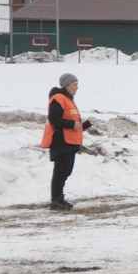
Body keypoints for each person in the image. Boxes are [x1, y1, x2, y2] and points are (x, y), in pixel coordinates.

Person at [40, 73, 91, 210]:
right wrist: (71, 125)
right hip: (61, 141)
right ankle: (56, 200)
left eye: (77, 85)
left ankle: (59, 198)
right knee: (61, 171)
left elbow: (75, 125)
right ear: (67, 85)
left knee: (65, 171)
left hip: (69, 142)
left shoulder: (69, 100)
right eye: (74, 85)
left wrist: (86, 125)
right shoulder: (58, 98)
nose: (77, 88)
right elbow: (54, 119)